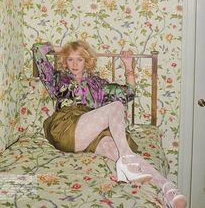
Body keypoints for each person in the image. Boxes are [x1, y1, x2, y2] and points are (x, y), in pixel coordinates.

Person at [32, 40, 187, 208]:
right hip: (65, 128)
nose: (74, 64)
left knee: (117, 148)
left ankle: (167, 187)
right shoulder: (57, 79)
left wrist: (128, 66)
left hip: (89, 134)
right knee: (115, 108)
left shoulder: (98, 84)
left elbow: (128, 93)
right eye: (70, 59)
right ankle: (127, 162)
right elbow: (37, 50)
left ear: (87, 61)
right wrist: (63, 49)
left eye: (80, 59)